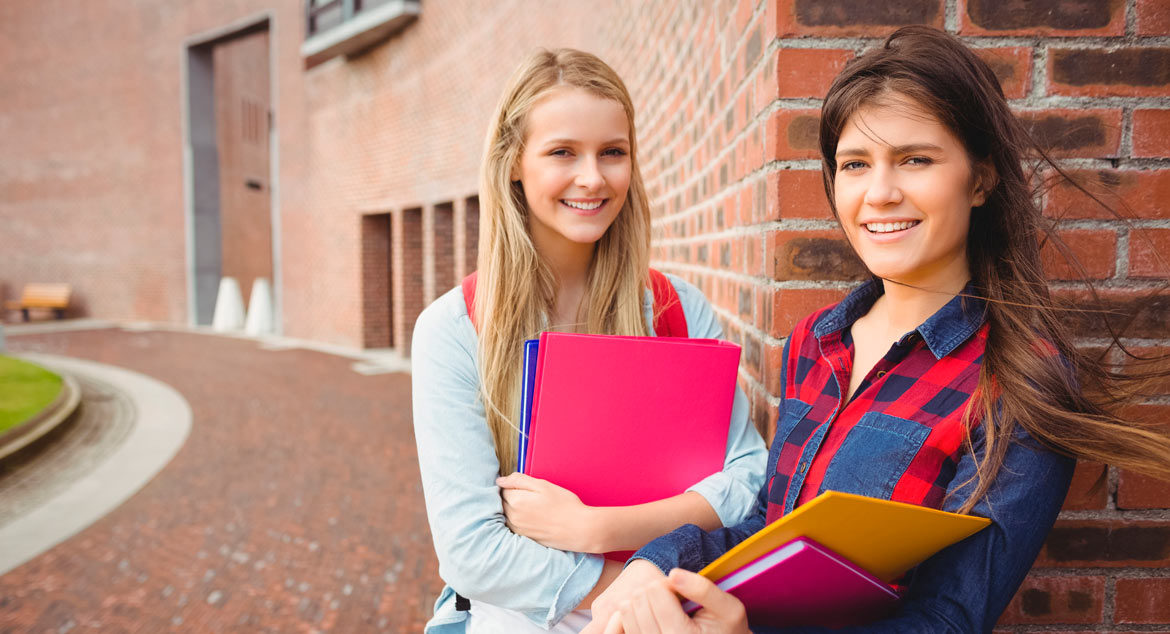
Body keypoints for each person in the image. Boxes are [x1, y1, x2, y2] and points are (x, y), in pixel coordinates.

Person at [583, 26, 1170, 633]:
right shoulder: (814, 341)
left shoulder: (1019, 378)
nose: (880, 193)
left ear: (981, 179)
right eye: (856, 165)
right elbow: (768, 524)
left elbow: (949, 619)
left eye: (915, 159)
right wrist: (653, 564)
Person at [410, 48, 767, 634]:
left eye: (613, 153)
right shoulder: (455, 329)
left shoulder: (677, 310)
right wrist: (631, 589)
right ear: (514, 164)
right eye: (562, 153)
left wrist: (597, 529)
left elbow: (748, 478)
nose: (593, 177)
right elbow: (472, 553)